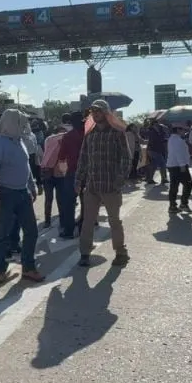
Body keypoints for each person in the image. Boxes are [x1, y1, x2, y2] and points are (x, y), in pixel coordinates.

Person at [0, 108, 44, 284]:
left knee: (31, 231)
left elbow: (26, 166)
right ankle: (0, 270)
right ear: (11, 122)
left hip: (23, 193)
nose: (24, 126)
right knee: (3, 234)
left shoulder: (20, 141)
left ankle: (28, 267)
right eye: (20, 122)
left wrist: (32, 186)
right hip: (5, 194)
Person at [76, 100, 133, 267]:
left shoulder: (117, 133)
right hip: (92, 185)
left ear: (106, 113)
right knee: (87, 221)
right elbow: (83, 159)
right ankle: (84, 253)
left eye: (98, 111)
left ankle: (120, 252)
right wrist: (78, 180)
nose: (95, 114)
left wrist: (120, 179)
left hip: (111, 185)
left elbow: (126, 158)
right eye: (93, 111)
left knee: (114, 221)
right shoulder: (90, 134)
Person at [39, 118, 67, 229]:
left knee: (60, 199)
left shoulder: (62, 143)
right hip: (49, 172)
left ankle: (61, 220)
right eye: (61, 133)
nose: (63, 135)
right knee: (49, 198)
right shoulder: (50, 140)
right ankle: (48, 220)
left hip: (58, 173)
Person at [165, 121, 192, 213]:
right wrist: (182, 165)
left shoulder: (173, 139)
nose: (185, 132)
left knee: (174, 186)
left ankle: (173, 206)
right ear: (178, 130)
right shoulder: (177, 140)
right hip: (178, 166)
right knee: (188, 184)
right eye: (183, 130)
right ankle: (183, 204)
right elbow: (179, 153)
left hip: (173, 165)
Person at [144, 120, 169, 185]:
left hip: (154, 150)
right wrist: (162, 138)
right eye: (156, 124)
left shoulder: (158, 131)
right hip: (154, 150)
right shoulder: (152, 132)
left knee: (154, 165)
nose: (157, 125)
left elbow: (161, 138)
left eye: (157, 124)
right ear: (153, 125)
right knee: (162, 164)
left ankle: (150, 179)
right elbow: (154, 141)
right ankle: (163, 179)